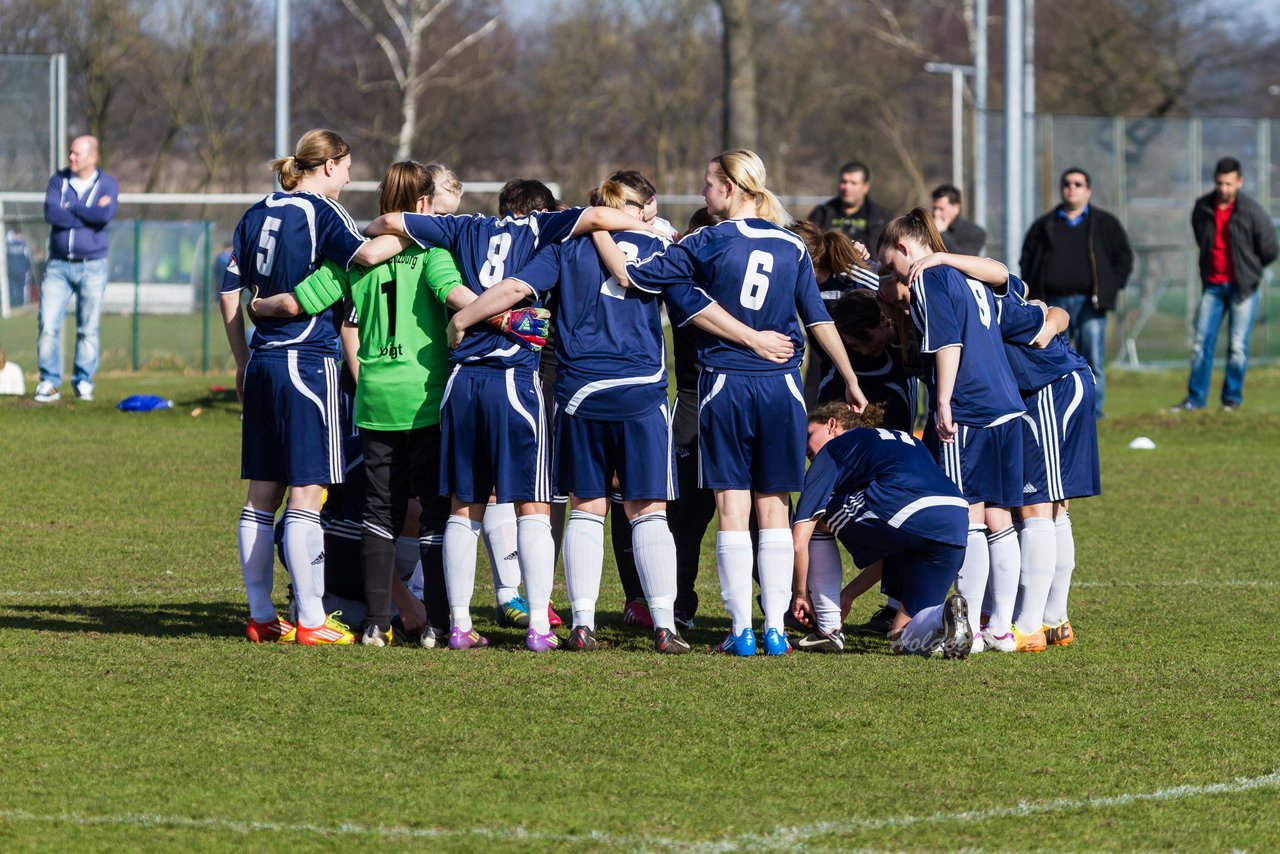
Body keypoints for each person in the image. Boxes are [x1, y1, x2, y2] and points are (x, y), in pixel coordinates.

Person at [365, 180, 656, 652]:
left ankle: (458, 625)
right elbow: (601, 218)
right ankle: (540, 625)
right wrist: (640, 221)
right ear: (540, 210)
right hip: (511, 379)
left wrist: (379, 240)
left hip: (460, 383)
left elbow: (390, 222)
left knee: (465, 505)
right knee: (534, 503)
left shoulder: (461, 226)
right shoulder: (543, 227)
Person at [628, 148, 867, 657]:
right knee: (774, 509)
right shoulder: (791, 245)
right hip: (782, 389)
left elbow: (642, 279)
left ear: (731, 189)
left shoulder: (705, 241)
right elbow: (818, 319)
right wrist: (849, 377)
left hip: (726, 386)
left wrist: (625, 228)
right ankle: (775, 629)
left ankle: (741, 631)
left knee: (732, 510)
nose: (702, 192)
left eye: (708, 184)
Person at [250, 160, 481, 649]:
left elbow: (297, 303)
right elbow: (455, 294)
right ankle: (438, 624)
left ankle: (378, 622)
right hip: (425, 399)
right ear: (423, 206)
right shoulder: (433, 251)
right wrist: (500, 307)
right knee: (435, 514)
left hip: (374, 401)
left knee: (379, 513)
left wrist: (258, 306)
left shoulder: (352, 262)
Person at [221, 128, 408, 646]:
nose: (350, 177)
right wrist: (421, 230)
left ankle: (261, 616)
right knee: (306, 495)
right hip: (308, 364)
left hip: (261, 364)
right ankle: (309, 619)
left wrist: (241, 361)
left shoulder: (255, 211)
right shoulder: (322, 212)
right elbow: (369, 256)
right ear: (330, 164)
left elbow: (229, 291)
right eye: (348, 167)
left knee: (262, 495)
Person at [909, 250, 1087, 651]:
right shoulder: (987, 289)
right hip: (1035, 392)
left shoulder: (968, 295)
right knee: (1036, 508)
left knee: (1037, 505)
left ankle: (1029, 624)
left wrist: (1049, 318)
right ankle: (1043, 620)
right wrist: (1050, 314)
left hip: (1044, 388)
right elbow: (1039, 302)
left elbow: (1045, 319)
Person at [878, 209, 1026, 653]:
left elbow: (948, 343)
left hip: (971, 408)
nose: (893, 276)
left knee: (970, 517)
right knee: (1001, 517)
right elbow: (1005, 275)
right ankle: (1001, 628)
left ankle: (975, 632)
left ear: (905, 249)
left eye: (890, 266)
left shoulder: (927, 278)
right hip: (1007, 405)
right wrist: (946, 259)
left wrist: (942, 401)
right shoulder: (965, 273)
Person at [790, 402, 972, 658]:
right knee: (901, 639)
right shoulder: (905, 440)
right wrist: (849, 595)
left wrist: (800, 594)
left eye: (809, 434)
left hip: (910, 510)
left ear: (831, 424)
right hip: (956, 518)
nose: (805, 447)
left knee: (818, 517)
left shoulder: (833, 449)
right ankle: (944, 614)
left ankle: (828, 630)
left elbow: (800, 540)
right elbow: (893, 549)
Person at [1019, 168, 1133, 419]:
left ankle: (1093, 413)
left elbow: (1123, 258)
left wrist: (1110, 289)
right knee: (1051, 358)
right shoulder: (1045, 225)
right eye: (1067, 183)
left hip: (1090, 304)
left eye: (1078, 184)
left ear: (1088, 190)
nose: (1072, 188)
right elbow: (1027, 260)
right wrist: (1035, 296)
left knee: (1093, 359)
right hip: (1053, 305)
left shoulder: (1105, 223)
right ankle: (1056, 410)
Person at [1171, 156, 1278, 413]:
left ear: (1239, 182)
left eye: (1229, 184)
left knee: (1237, 346)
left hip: (1243, 288)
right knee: (1200, 343)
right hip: (1213, 286)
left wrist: (1250, 272)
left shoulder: (1252, 211)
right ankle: (1195, 400)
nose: (1224, 189)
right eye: (1220, 183)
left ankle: (1231, 400)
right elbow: (1201, 237)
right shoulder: (1203, 208)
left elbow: (1269, 248)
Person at [34, 135, 119, 404]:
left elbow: (104, 216)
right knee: (48, 324)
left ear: (92, 157)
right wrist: (87, 212)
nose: (70, 158)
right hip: (57, 266)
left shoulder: (107, 184)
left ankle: (83, 381)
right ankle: (49, 381)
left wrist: (72, 208)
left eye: (76, 154)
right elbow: (51, 213)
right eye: (70, 153)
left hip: (92, 267)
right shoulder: (58, 180)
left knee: (88, 328)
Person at [806, 161, 894, 249]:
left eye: (853, 183)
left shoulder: (883, 218)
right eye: (843, 182)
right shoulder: (821, 214)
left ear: (865, 187)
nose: (847, 187)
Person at [931, 184, 986, 256]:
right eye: (935, 208)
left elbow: (966, 258)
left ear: (956, 208)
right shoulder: (927, 229)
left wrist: (942, 234)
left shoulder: (975, 232)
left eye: (941, 209)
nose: (936, 213)